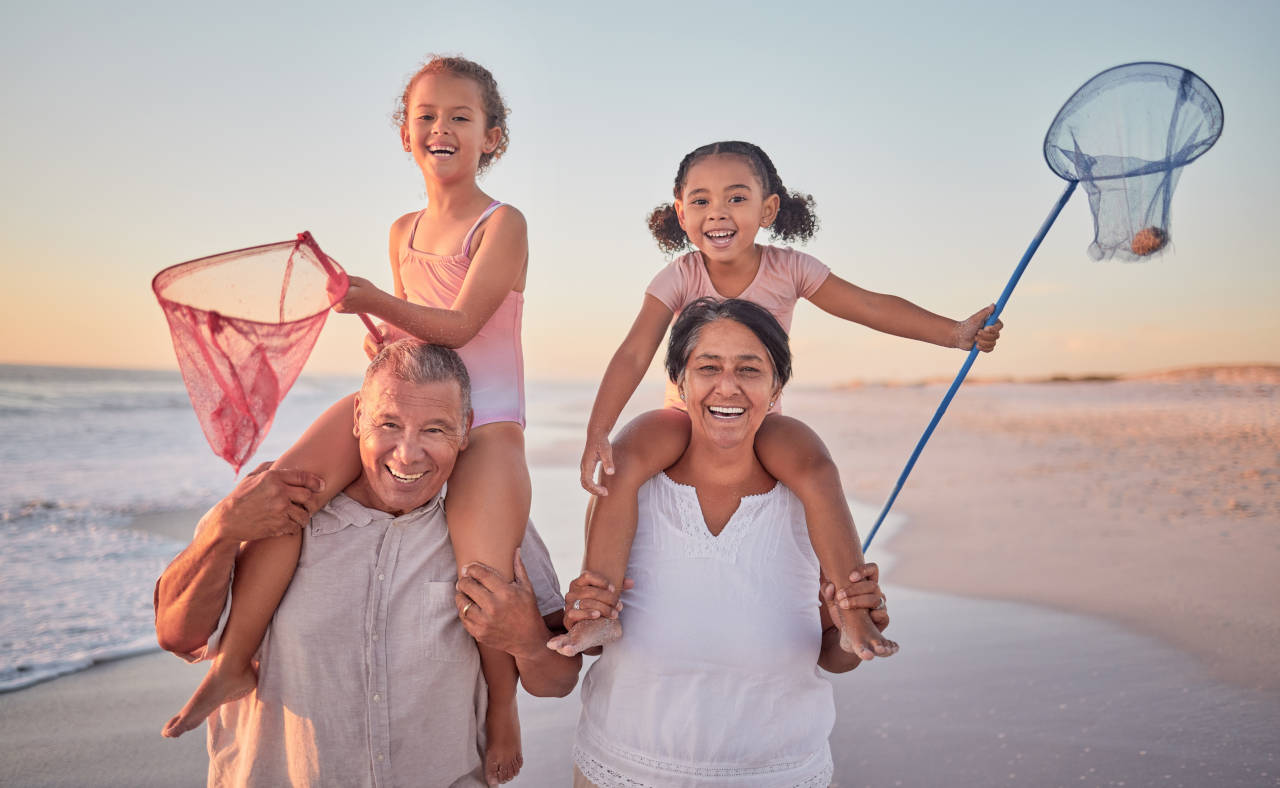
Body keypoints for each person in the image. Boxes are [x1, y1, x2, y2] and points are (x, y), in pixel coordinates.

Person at [161, 55, 533, 785]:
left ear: (492, 137)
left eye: (461, 117)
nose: (442, 128)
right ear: (404, 134)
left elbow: (458, 326)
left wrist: (370, 300)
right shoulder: (402, 229)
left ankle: (502, 711)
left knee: (486, 574)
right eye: (426, 116)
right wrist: (385, 339)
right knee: (287, 493)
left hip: (485, 420)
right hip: (421, 399)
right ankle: (234, 662)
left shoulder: (502, 223)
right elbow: (418, 340)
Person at [556, 140, 1002, 658]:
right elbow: (634, 353)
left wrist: (952, 333)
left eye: (736, 198)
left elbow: (866, 305)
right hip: (687, 412)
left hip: (762, 415)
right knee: (625, 457)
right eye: (700, 201)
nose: (717, 213)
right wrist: (597, 432)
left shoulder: (791, 269)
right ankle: (596, 612)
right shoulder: (678, 276)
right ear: (680, 213)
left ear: (768, 209)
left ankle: (853, 613)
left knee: (813, 465)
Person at [154, 340, 581, 787]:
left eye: (435, 430)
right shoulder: (274, 503)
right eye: (389, 424)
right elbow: (175, 633)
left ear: (466, 428)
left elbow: (558, 681)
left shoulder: (493, 523)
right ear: (357, 417)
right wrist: (219, 530)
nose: (408, 453)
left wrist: (529, 642)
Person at [565, 298, 890, 786]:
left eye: (749, 369)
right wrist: (586, 612)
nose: (727, 386)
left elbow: (833, 656)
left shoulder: (808, 495)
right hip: (623, 768)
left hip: (778, 772)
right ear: (680, 381)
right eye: (708, 367)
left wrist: (851, 634)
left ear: (776, 385)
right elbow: (590, 648)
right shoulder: (633, 483)